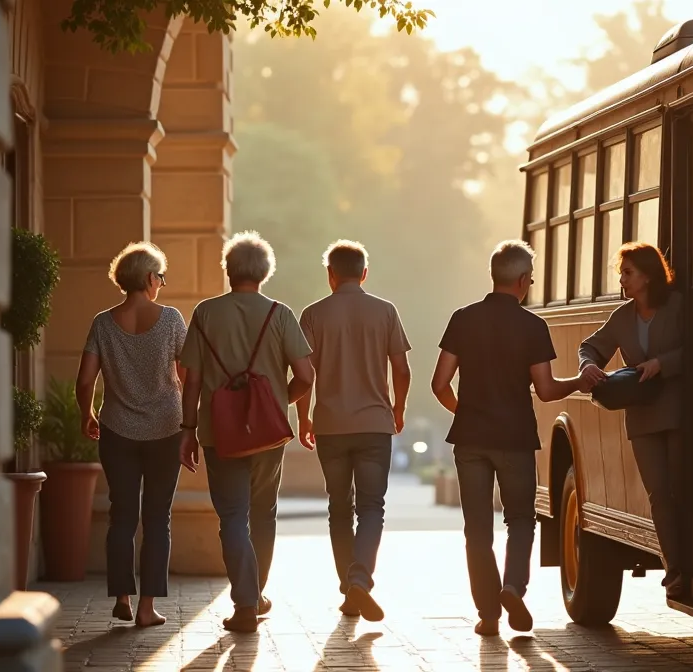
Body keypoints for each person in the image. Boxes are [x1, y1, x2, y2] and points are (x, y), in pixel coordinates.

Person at [431, 240, 591, 636]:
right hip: (516, 438)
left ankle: (487, 615)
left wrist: (464, 412)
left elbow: (439, 383)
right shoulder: (532, 326)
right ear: (522, 281)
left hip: (470, 439)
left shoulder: (462, 318)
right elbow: (548, 389)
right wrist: (580, 381)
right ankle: (512, 586)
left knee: (477, 529)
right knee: (520, 519)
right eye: (531, 279)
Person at [178, 231, 316, 633]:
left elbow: (191, 380)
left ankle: (244, 602)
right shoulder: (279, 313)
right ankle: (256, 595)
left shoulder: (205, 313)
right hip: (268, 435)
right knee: (263, 513)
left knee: (232, 516)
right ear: (265, 272)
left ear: (228, 269)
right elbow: (306, 375)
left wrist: (187, 430)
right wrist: (277, 403)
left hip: (219, 434)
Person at [296, 240, 411, 623]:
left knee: (339, 508)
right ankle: (360, 577)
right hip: (374, 425)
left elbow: (304, 375)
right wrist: (397, 409)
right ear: (364, 273)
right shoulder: (385, 311)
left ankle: (349, 590)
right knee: (372, 507)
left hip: (331, 426)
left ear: (330, 275)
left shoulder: (312, 315)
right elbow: (402, 369)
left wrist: (304, 418)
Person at [76, 242, 187, 628]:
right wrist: (190, 424)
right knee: (158, 519)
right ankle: (146, 608)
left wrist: (86, 413)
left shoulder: (103, 323)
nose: (162, 283)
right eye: (161, 276)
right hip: (166, 430)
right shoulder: (172, 319)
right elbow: (189, 377)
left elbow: (85, 378)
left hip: (117, 430)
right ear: (148, 278)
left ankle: (122, 596)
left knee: (121, 516)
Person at [577, 242, 687, 599]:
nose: (622, 280)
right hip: (640, 417)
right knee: (659, 493)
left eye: (628, 273)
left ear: (648, 275)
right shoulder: (623, 316)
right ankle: (674, 568)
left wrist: (662, 364)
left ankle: (692, 562)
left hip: (678, 414)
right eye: (621, 273)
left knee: (682, 488)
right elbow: (590, 346)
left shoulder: (677, 307)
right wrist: (588, 365)